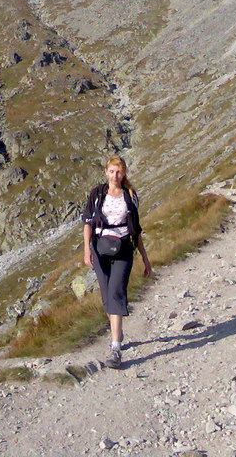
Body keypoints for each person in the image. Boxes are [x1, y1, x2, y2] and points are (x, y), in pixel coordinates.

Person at [82, 154, 152, 368]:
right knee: (106, 295)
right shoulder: (97, 194)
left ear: (124, 173)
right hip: (100, 248)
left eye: (119, 171)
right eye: (112, 171)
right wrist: (86, 250)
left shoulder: (130, 195)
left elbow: (136, 229)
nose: (115, 175)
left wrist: (145, 258)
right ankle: (118, 332)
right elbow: (87, 223)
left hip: (123, 248)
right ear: (106, 172)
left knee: (116, 293)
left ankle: (115, 348)